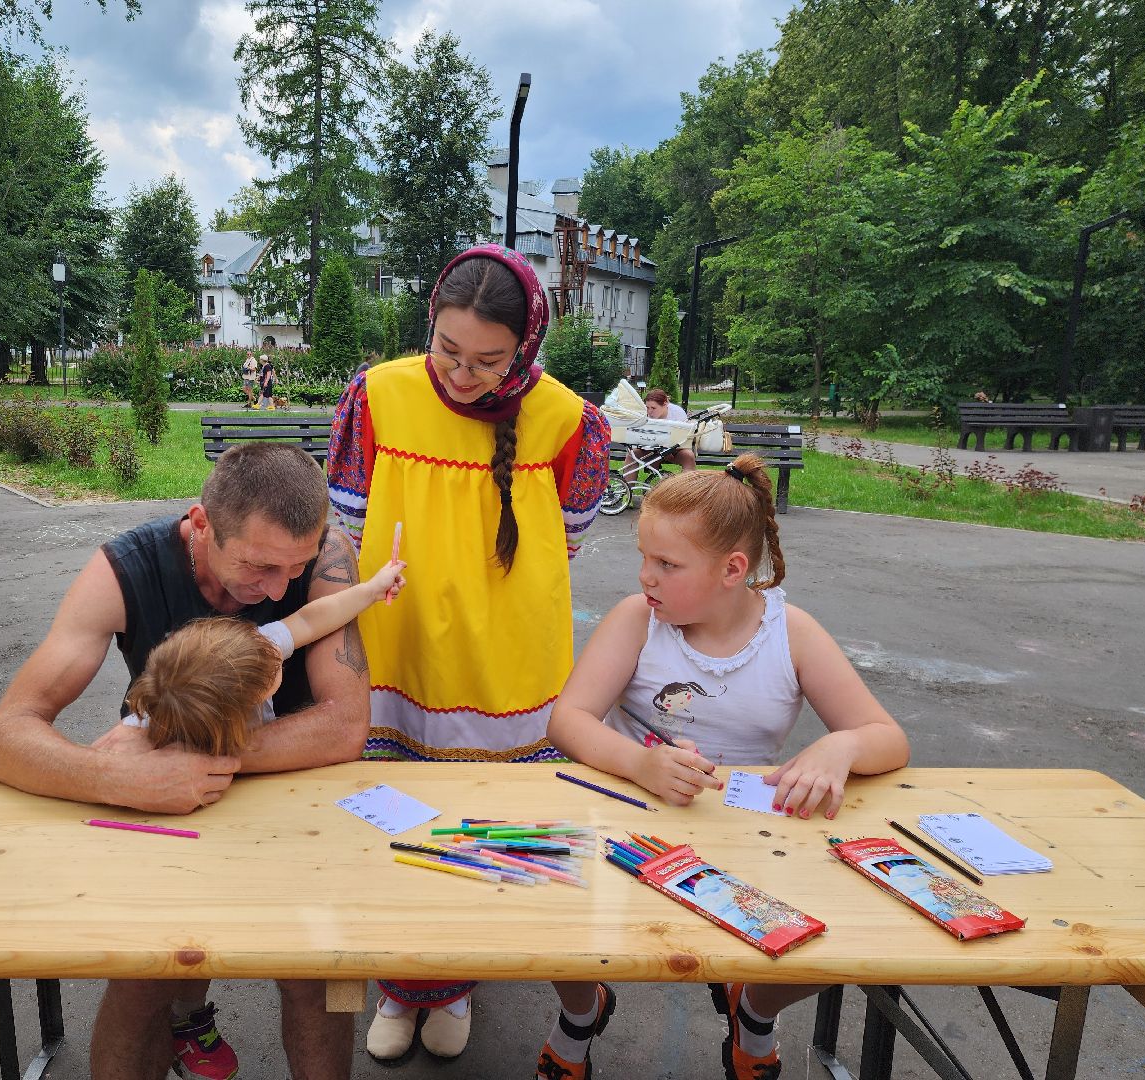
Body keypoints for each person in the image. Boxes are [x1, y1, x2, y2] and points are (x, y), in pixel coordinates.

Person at [0, 443, 371, 1080]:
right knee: (144, 978)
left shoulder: (328, 554)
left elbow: (345, 727)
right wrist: (117, 774)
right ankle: (187, 1014)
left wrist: (192, 752)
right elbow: (4, 739)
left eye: (293, 571)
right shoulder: (121, 570)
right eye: (260, 566)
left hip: (299, 807)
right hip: (171, 805)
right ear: (201, 522)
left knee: (324, 974)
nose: (278, 590)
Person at [326, 243, 611, 1062]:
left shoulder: (568, 420)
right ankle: (400, 981)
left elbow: (574, 535)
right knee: (391, 816)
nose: (460, 373)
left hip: (509, 657)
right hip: (397, 638)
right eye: (447, 350)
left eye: (488, 361)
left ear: (525, 348)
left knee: (492, 826)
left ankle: (457, 978)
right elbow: (348, 526)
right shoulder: (377, 393)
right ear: (429, 324)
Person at [545, 454, 910, 1080]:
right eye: (644, 558)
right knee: (548, 909)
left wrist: (838, 747)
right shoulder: (638, 620)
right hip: (628, 819)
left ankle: (755, 1012)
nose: (645, 578)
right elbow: (569, 720)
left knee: (832, 934)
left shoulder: (790, 632)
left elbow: (887, 738)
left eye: (666, 564)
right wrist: (640, 763)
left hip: (745, 837)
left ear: (732, 570)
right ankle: (581, 1013)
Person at [126, 557, 406, 755]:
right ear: (257, 696)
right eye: (275, 665)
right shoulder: (154, 728)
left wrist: (371, 590)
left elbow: (310, 620)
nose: (277, 652)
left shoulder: (253, 648)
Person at [624, 387, 697, 478]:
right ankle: (627, 489)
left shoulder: (677, 413)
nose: (649, 412)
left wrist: (668, 451)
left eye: (653, 408)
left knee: (689, 456)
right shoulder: (643, 414)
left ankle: (687, 489)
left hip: (674, 450)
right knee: (632, 455)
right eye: (647, 407)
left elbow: (683, 439)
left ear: (665, 404)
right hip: (650, 449)